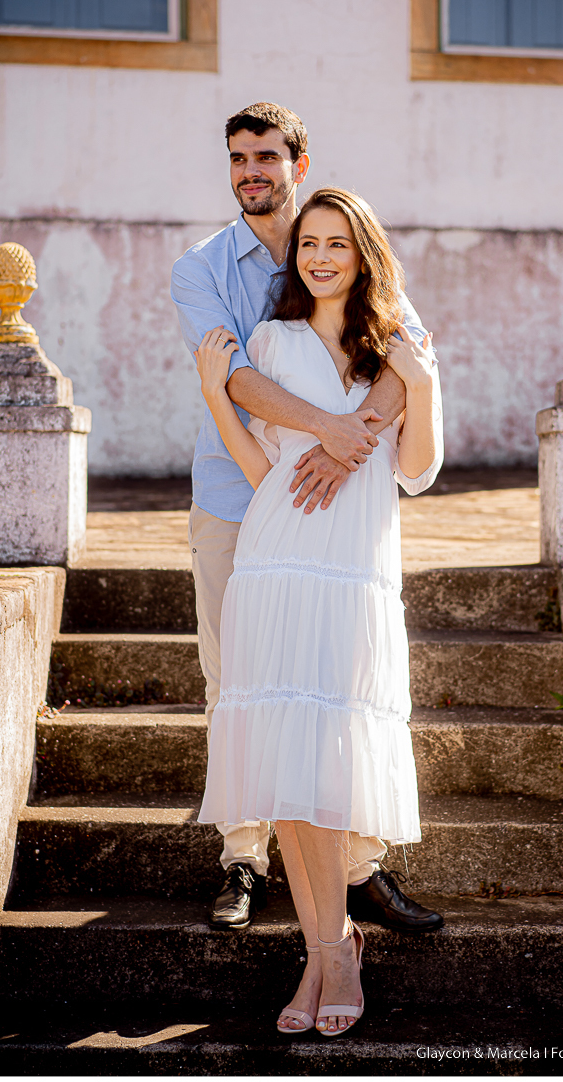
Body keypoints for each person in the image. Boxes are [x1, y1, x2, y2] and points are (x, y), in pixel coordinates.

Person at [171, 102, 443, 935]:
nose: (250, 171)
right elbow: (238, 380)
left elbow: (409, 354)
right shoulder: (203, 267)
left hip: (343, 508)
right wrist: (329, 430)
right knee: (239, 680)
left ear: (297, 161)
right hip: (239, 498)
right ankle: (245, 858)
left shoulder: (335, 234)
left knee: (340, 681)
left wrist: (349, 443)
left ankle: (357, 868)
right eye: (236, 158)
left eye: (265, 156)